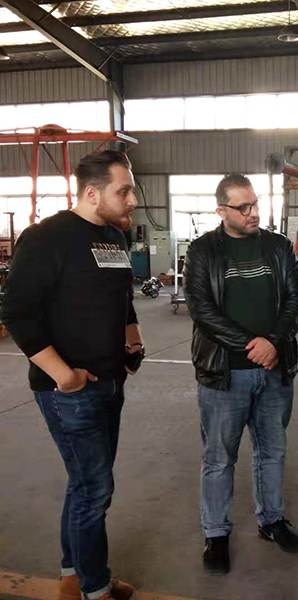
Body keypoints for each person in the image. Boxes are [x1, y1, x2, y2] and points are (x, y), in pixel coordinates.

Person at [0, 150, 144, 600]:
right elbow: (16, 312)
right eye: (124, 190)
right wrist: (63, 376)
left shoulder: (115, 238)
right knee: (95, 489)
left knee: (84, 484)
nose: (132, 200)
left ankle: (72, 573)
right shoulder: (46, 238)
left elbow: (124, 300)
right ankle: (94, 589)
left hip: (111, 381)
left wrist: (133, 343)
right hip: (70, 392)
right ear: (92, 193)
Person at [183, 172, 298, 574]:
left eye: (255, 204)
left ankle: (271, 520)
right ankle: (216, 533)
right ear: (222, 211)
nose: (254, 212)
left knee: (272, 451)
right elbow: (202, 310)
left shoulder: (278, 246)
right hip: (224, 374)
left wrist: (274, 341)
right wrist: (253, 345)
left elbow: (296, 296)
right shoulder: (203, 251)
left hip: (275, 371)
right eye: (243, 207)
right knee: (219, 458)